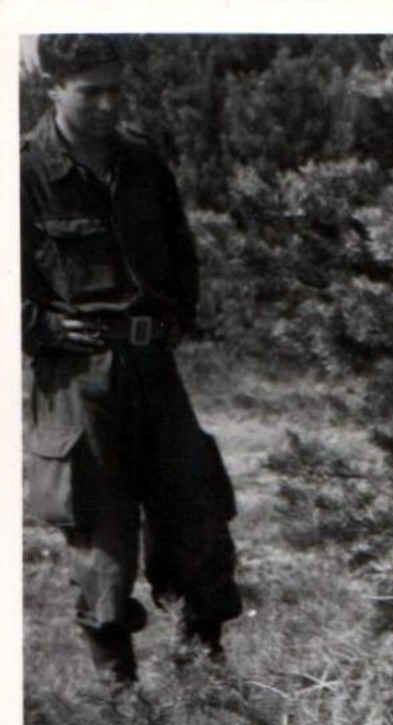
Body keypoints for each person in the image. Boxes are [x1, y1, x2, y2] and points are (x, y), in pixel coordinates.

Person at [22, 34, 241, 685]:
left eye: (117, 89)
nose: (109, 104)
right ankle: (120, 701)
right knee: (102, 538)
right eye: (92, 91)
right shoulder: (24, 172)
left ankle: (203, 683)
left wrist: (177, 315)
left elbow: (180, 249)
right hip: (80, 378)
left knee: (194, 515)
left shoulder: (141, 161)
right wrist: (37, 326)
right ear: (54, 87)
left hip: (154, 368)